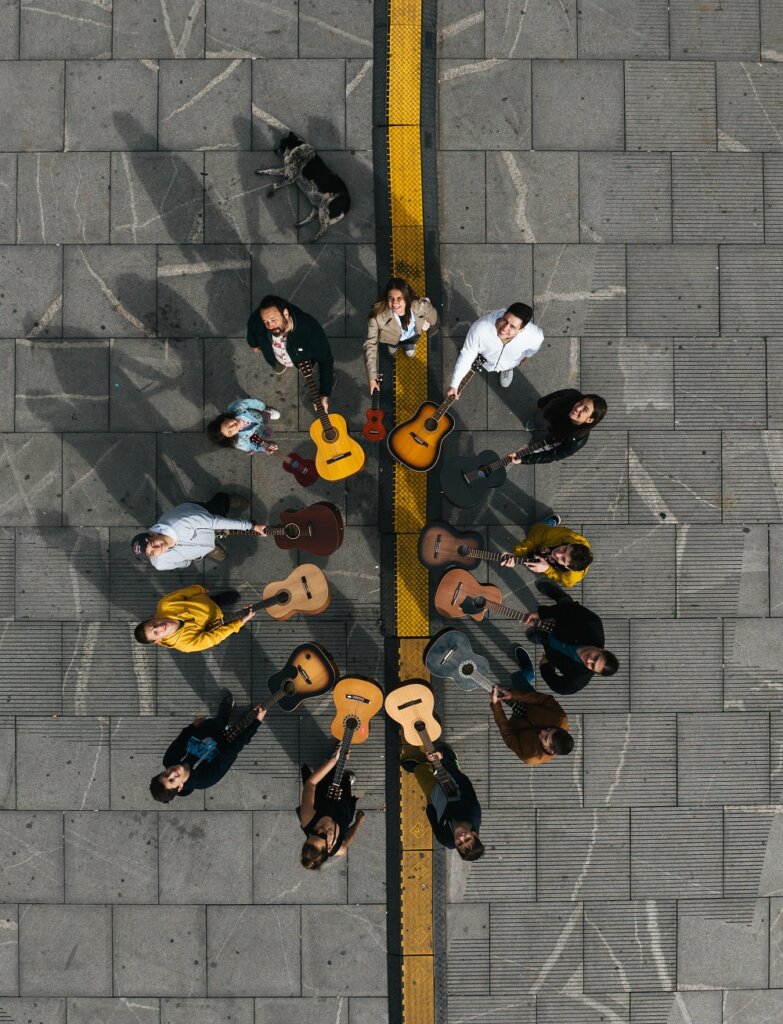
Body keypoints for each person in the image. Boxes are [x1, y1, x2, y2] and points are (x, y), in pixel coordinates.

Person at [149, 690, 267, 803]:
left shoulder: (168, 759)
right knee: (239, 730)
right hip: (226, 743)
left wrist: (192, 726)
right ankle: (241, 719)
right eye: (171, 780)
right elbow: (233, 750)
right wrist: (256, 722)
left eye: (165, 774)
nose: (172, 772)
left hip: (207, 730)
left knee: (219, 722)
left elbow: (182, 738)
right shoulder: (204, 779)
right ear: (179, 787)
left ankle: (223, 716)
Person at [524, 580, 619, 694]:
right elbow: (568, 610)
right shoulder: (592, 623)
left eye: (592, 666)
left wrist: (545, 667)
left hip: (552, 648)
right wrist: (542, 613)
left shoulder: (578, 680)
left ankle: (543, 637)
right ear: (602, 650)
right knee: (566, 604)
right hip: (564, 620)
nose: (589, 660)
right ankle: (560, 596)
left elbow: (561, 688)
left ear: (594, 672)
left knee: (545, 638)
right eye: (596, 657)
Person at [130, 493, 267, 570]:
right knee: (208, 545)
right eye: (152, 553)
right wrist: (198, 553)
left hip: (202, 515)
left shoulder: (183, 521)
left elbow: (215, 522)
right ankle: (210, 548)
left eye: (153, 543)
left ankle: (227, 500)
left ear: (152, 534)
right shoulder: (160, 564)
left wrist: (251, 526)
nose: (158, 549)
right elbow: (184, 563)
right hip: (201, 543)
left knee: (218, 509)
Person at [246, 294, 334, 412]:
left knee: (322, 371)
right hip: (276, 357)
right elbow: (251, 327)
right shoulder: (257, 319)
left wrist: (325, 393)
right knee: (277, 364)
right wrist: (253, 344)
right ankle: (279, 364)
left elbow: (325, 361)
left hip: (302, 360)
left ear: (286, 314)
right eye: (265, 321)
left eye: (273, 319)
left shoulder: (310, 329)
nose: (269, 326)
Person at [400, 740, 484, 861]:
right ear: (474, 835)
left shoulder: (446, 840)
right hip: (454, 785)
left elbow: (433, 818)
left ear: (455, 845)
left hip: (435, 794)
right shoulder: (472, 811)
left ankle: (421, 766)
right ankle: (451, 759)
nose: (461, 838)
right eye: (467, 839)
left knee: (420, 771)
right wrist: (443, 760)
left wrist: (430, 800)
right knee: (447, 765)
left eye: (460, 843)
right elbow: (463, 781)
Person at [490, 649, 573, 765]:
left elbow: (508, 734)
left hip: (516, 721)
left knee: (501, 693)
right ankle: (529, 672)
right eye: (549, 729)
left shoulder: (529, 756)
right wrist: (514, 695)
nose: (543, 731)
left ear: (551, 750)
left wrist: (496, 706)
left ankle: (519, 682)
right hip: (530, 702)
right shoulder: (561, 719)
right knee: (516, 677)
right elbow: (543, 699)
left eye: (545, 738)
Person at [447, 302, 543, 394]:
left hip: (509, 363)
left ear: (521, 330)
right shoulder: (480, 328)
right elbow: (467, 355)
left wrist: (526, 356)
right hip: (486, 360)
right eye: (505, 320)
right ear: (504, 314)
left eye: (512, 327)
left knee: (510, 364)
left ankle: (507, 369)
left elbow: (534, 347)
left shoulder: (535, 336)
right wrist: (455, 384)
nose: (504, 328)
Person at [363, 277, 438, 392]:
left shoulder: (421, 306)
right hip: (391, 339)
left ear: (407, 298)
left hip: (412, 335)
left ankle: (408, 345)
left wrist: (431, 328)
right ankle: (394, 346)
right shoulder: (377, 316)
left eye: (399, 298)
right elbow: (370, 345)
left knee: (410, 341)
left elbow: (433, 316)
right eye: (391, 298)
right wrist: (372, 378)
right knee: (392, 345)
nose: (394, 303)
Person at [134, 584, 256, 653]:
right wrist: (239, 623)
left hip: (209, 602)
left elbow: (184, 593)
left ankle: (222, 600)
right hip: (216, 623)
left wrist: (200, 589)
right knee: (229, 628)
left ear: (152, 618)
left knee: (219, 600)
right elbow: (214, 637)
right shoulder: (185, 644)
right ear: (158, 641)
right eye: (156, 633)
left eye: (154, 624)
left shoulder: (165, 604)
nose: (160, 627)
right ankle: (235, 625)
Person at [298, 751, 366, 869]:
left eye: (313, 832)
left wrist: (334, 760)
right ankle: (346, 782)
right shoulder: (340, 849)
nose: (320, 829)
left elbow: (311, 783)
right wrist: (358, 822)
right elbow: (348, 838)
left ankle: (332, 769)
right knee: (347, 792)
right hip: (344, 809)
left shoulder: (307, 819)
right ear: (330, 847)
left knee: (329, 778)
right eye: (323, 835)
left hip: (325, 794)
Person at [508, 389, 607, 465]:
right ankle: (535, 423)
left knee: (541, 446)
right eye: (581, 402)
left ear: (589, 420)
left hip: (555, 436)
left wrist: (523, 460)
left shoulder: (577, 441)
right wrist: (541, 403)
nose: (578, 407)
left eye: (585, 409)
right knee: (540, 419)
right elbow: (551, 397)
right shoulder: (571, 395)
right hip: (550, 417)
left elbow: (552, 455)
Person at [499, 514, 593, 589]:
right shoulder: (565, 535)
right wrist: (516, 554)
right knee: (538, 530)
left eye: (563, 559)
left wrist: (547, 569)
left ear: (568, 567)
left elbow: (562, 580)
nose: (557, 554)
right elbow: (534, 540)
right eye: (564, 549)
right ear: (570, 544)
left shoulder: (572, 577)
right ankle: (549, 525)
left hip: (547, 546)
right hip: (548, 535)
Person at [207, 397, 281, 453]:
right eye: (230, 432)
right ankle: (264, 422)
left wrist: (262, 407)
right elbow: (251, 446)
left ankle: (267, 411)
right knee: (263, 431)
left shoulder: (237, 408)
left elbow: (250, 403)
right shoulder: (239, 442)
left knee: (263, 415)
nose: (233, 427)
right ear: (230, 437)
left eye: (228, 425)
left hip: (258, 414)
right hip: (258, 431)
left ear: (225, 418)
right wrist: (265, 448)